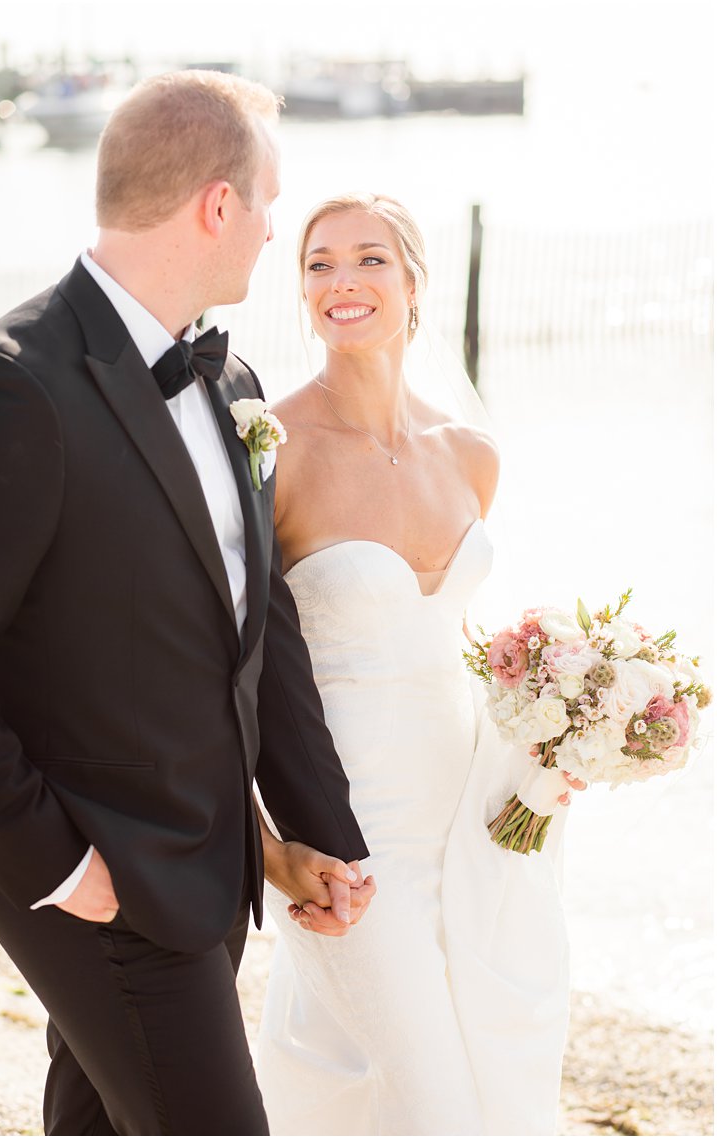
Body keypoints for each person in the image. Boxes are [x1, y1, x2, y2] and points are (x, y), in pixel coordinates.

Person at [0, 71, 376, 1135]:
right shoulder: (14, 383)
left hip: (204, 861)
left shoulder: (229, 385)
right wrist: (52, 860)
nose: (274, 228)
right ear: (215, 204)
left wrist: (311, 832)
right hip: (95, 876)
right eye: (268, 202)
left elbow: (256, 626)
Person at [252, 193, 575, 1134]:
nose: (341, 281)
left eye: (369, 259)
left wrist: (558, 737)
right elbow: (230, 662)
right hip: (348, 826)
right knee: (433, 1098)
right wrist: (269, 846)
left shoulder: (471, 455)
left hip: (473, 814)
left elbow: (464, 650)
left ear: (416, 283)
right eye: (317, 264)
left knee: (480, 1067)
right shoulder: (271, 449)